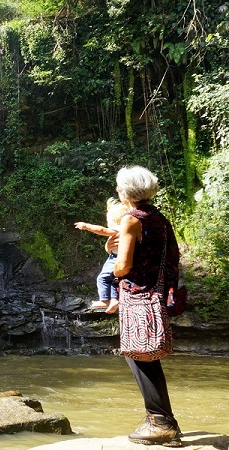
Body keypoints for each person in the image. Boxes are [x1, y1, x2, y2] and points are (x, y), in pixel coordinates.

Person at [105, 165, 182, 447]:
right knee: (147, 358)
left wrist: (112, 271)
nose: (117, 191)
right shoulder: (158, 217)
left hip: (137, 298)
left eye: (118, 187)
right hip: (156, 295)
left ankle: (161, 423)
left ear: (126, 192)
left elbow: (123, 266)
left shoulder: (131, 219)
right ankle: (165, 422)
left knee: (140, 358)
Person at [75, 198, 129, 313]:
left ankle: (104, 300)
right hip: (121, 258)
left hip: (115, 259)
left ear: (114, 220)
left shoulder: (117, 229)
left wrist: (86, 226)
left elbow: (102, 230)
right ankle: (114, 300)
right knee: (115, 279)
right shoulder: (128, 229)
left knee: (102, 278)